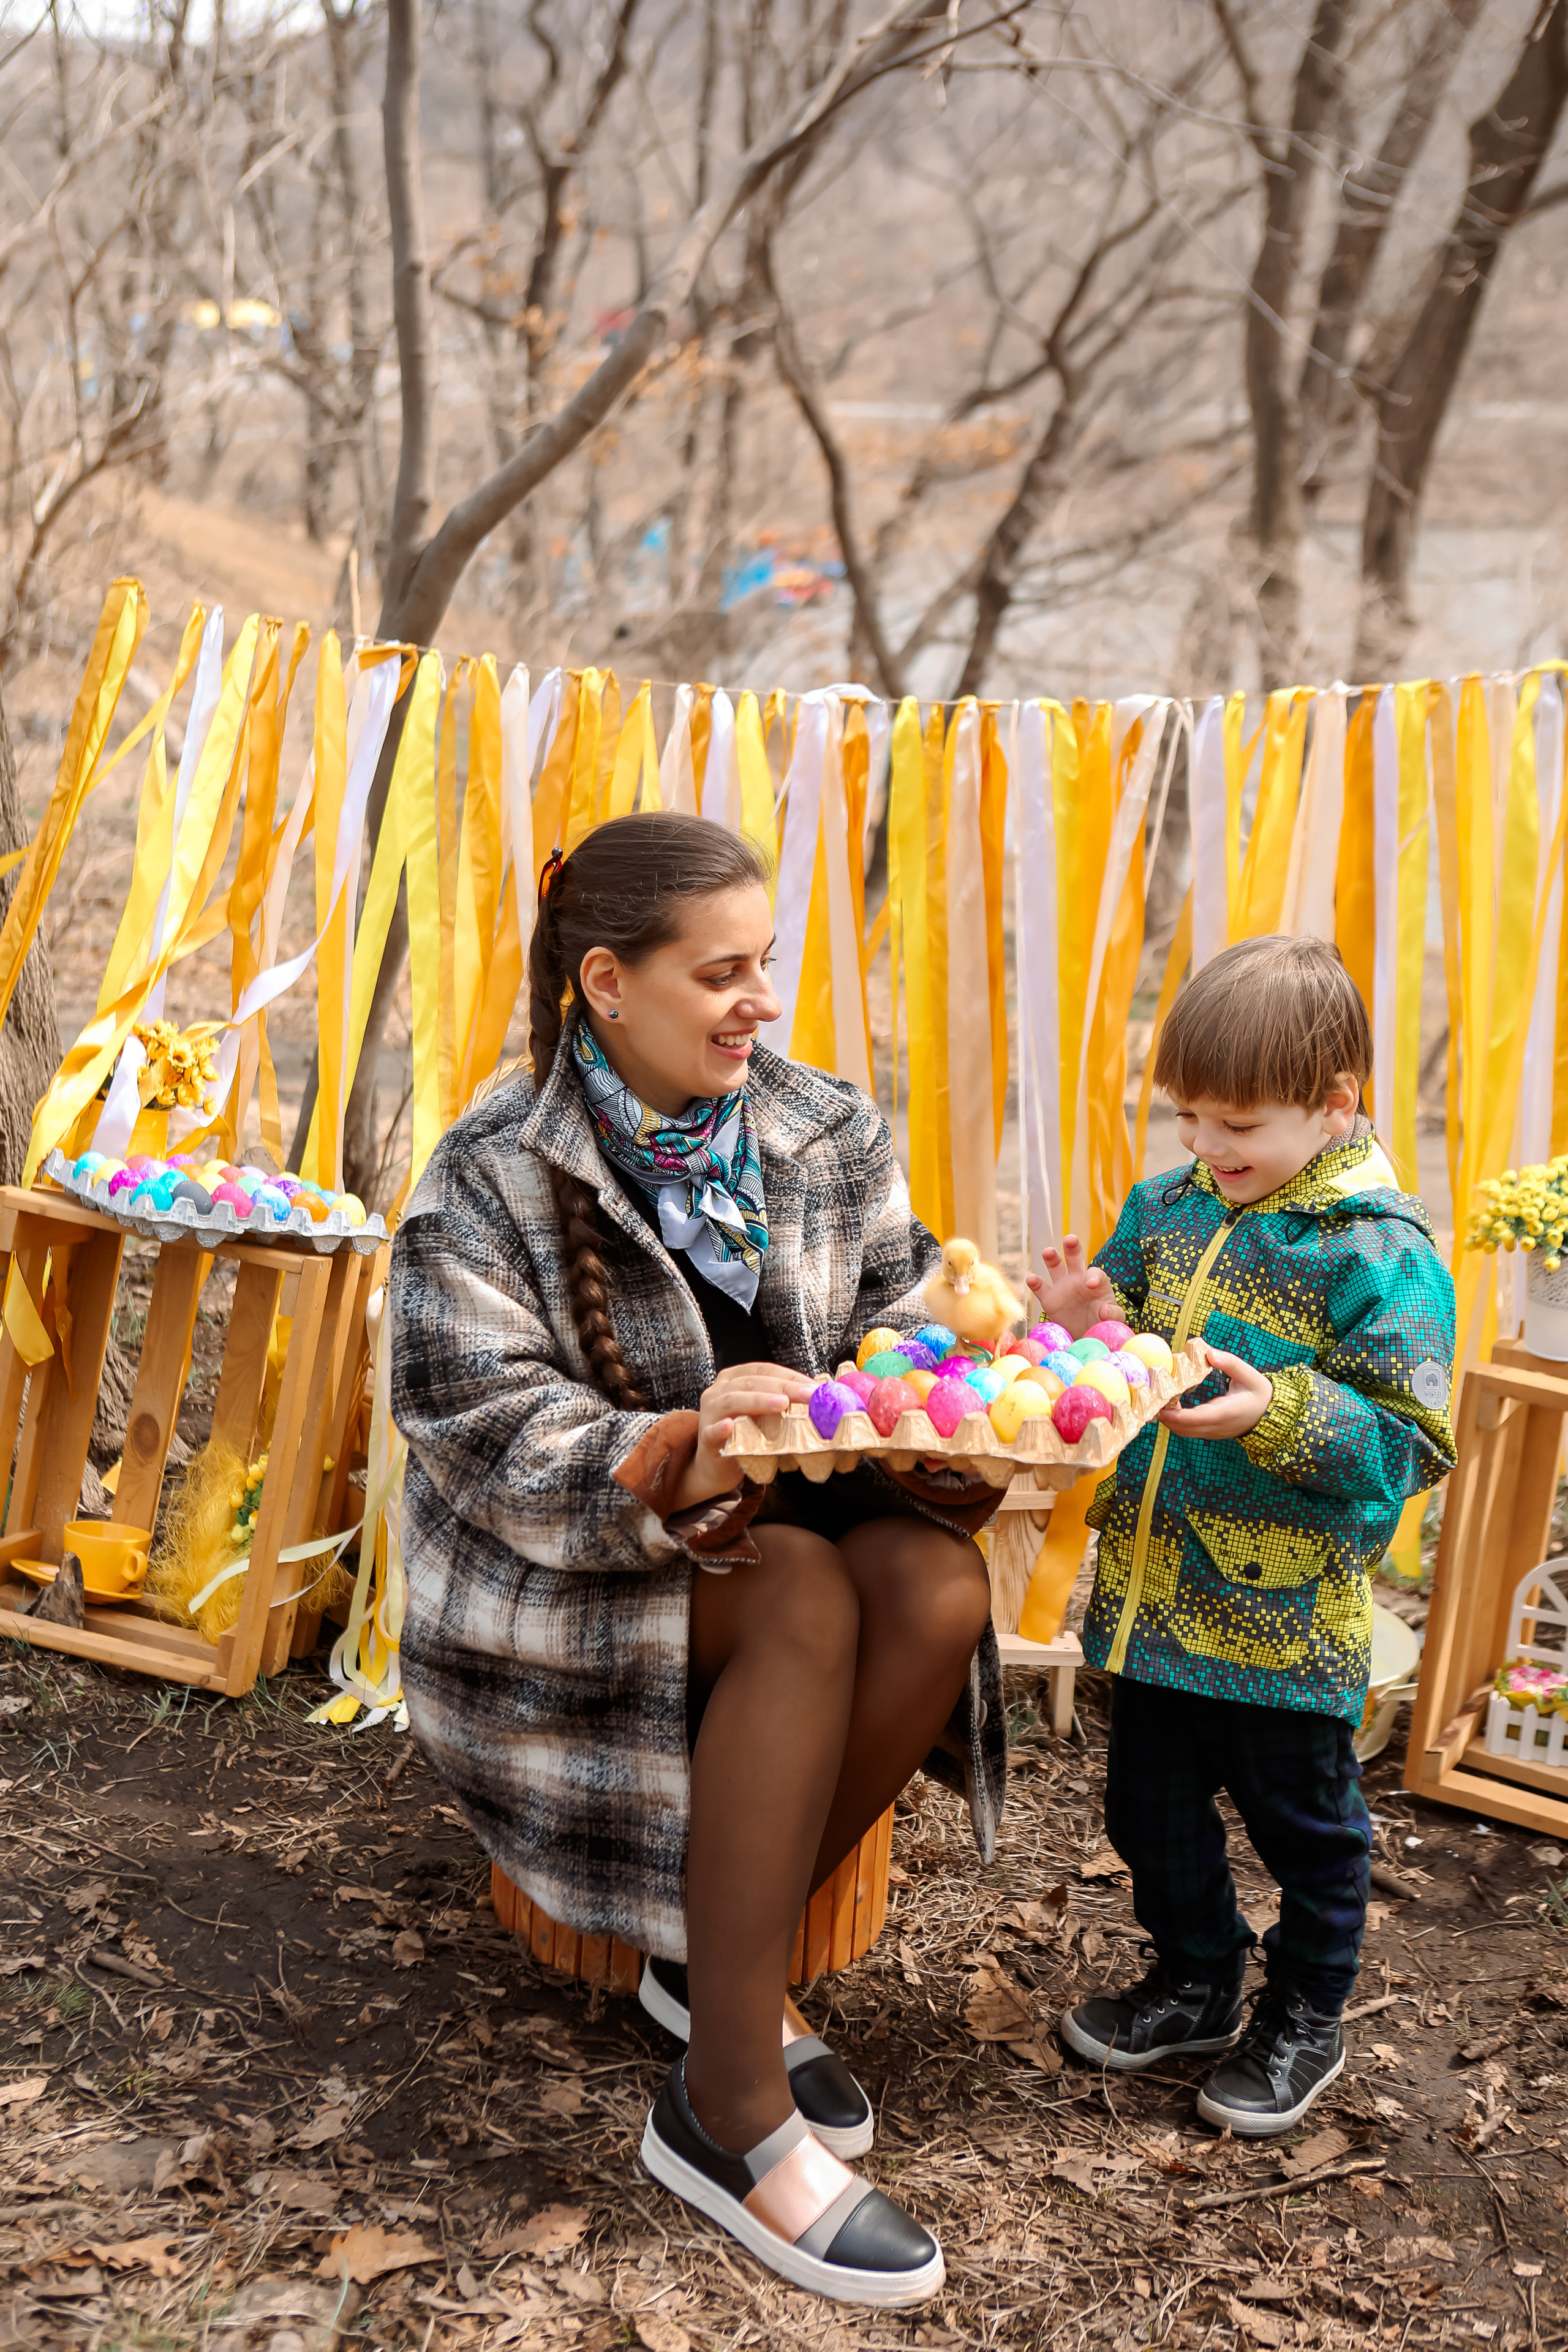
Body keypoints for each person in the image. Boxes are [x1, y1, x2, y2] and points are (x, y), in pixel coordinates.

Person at [388, 812, 1005, 2306]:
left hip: (782, 1547)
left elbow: (894, 1326)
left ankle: (709, 1967)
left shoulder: (820, 1128)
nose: (759, 1003)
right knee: (795, 1589)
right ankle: (727, 2107)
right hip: (563, 1584)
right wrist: (678, 1448)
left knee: (936, 1586)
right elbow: (473, 1422)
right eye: (720, 974)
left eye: (764, 965)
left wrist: (948, 1408)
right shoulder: (492, 1171)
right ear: (607, 982)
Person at [1028, 935, 1456, 2135]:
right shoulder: (1168, 1209)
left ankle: (1306, 2012)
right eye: (1189, 1117)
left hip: (1284, 1626)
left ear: (1335, 1107)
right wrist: (1082, 1321)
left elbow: (1410, 1442)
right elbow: (1123, 1343)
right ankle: (1197, 1976)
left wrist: (1280, 1412)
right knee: (1146, 1814)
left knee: (1307, 1834)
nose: (1208, 1147)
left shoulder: (1378, 1255)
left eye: (1239, 1125)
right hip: (1154, 1598)